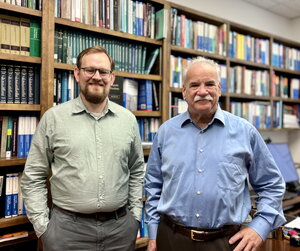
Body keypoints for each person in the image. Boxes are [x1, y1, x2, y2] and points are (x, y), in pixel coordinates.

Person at [144, 57, 286, 251]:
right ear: (184, 92)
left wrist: (259, 227)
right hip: (171, 239)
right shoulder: (165, 133)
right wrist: (153, 233)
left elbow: (272, 185)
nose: (202, 91)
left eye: (209, 84)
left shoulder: (245, 132)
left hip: (226, 242)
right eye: (194, 85)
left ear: (219, 88)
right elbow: (153, 186)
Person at [21, 46, 144, 251]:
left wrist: (135, 217)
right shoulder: (54, 119)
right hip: (67, 233)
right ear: (77, 73)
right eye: (90, 70)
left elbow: (137, 170)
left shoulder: (128, 120)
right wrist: (44, 228)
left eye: (103, 72)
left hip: (120, 232)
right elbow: (33, 175)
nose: (97, 77)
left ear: (112, 78)